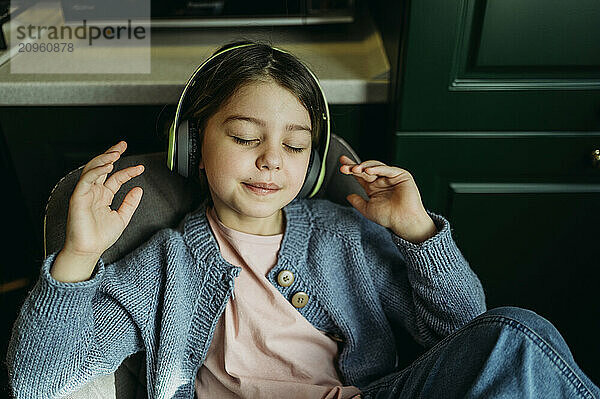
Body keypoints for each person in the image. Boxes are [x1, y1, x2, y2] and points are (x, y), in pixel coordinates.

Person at [6, 40, 599, 399]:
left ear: (314, 163)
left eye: (295, 146)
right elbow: (38, 379)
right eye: (244, 136)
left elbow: (464, 335)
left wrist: (419, 236)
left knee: (516, 333)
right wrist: (77, 258)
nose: (271, 160)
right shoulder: (168, 266)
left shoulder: (346, 238)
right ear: (190, 145)